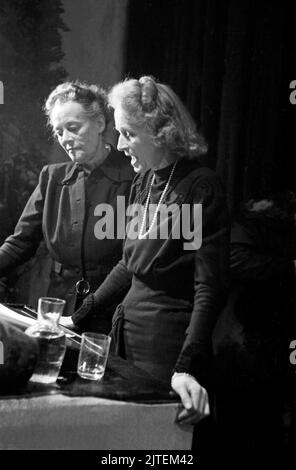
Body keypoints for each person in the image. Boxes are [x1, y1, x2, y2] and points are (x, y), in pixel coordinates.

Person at [61, 75, 229, 424]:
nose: (120, 145)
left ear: (161, 133)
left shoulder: (200, 187)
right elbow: (129, 264)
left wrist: (187, 367)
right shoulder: (144, 181)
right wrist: (75, 318)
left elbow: (208, 285)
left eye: (129, 134)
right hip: (124, 338)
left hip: (166, 348)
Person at [0, 81, 134, 320]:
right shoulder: (53, 177)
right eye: (59, 131)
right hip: (57, 306)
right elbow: (20, 244)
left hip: (111, 310)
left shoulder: (134, 179)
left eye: (73, 127)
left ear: (100, 123)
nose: (66, 139)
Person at [212, 192, 296, 458]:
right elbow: (233, 258)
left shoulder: (274, 227)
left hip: (270, 339)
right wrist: (290, 267)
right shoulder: (253, 223)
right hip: (241, 340)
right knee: (241, 425)